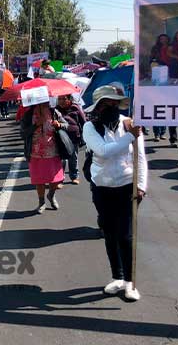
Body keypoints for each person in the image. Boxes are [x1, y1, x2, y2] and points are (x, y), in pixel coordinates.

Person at [83, 85, 147, 302]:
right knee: (109, 234)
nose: (111, 106)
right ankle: (117, 277)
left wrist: (141, 185)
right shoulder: (89, 127)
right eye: (106, 103)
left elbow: (141, 157)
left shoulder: (129, 124)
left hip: (126, 186)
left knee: (126, 236)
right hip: (101, 188)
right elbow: (102, 151)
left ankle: (130, 283)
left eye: (114, 102)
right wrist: (130, 137)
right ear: (98, 106)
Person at [21, 101, 68, 214]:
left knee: (56, 179)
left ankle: (51, 195)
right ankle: (41, 202)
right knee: (39, 180)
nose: (44, 102)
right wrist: (36, 125)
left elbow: (66, 125)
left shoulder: (54, 112)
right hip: (35, 153)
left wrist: (59, 125)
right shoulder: (28, 115)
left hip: (53, 152)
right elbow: (23, 134)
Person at [57, 94, 86, 185]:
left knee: (73, 158)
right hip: (61, 137)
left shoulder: (75, 108)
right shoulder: (56, 110)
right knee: (62, 159)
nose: (61, 101)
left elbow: (83, 122)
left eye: (64, 99)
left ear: (69, 99)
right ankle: (60, 179)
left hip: (74, 136)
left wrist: (84, 136)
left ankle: (74, 176)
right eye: (59, 99)